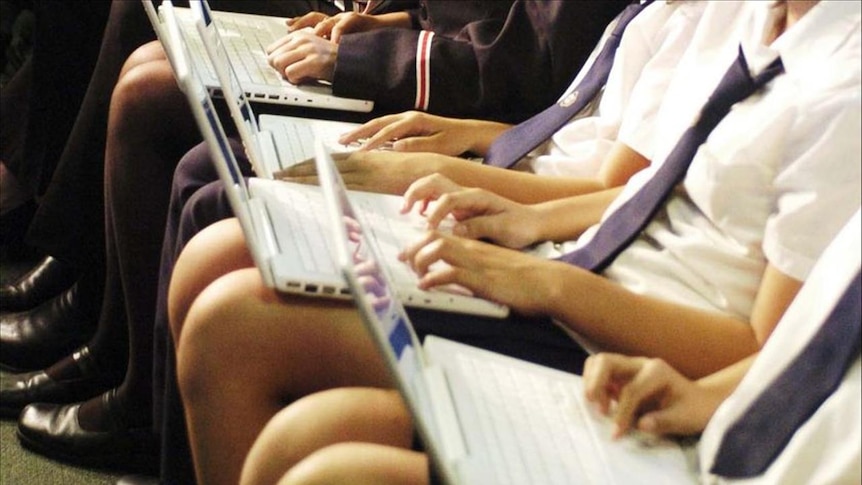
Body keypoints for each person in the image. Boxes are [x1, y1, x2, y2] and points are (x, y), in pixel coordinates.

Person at [159, 1, 860, 484]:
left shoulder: (841, 86)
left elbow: (770, 347)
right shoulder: (772, 26)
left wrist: (545, 273)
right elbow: (641, 188)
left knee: (245, 336)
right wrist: (488, 175)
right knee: (238, 309)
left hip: (617, 316)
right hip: (597, 274)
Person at [2, 0, 627, 477]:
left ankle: (136, 388)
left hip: (561, 219)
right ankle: (118, 347)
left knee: (205, 200)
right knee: (169, 117)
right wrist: (388, 22)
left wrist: (388, 74)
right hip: (516, 153)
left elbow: (540, 75)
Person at [234, 207, 862, 485]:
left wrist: (554, 283)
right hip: (720, 429)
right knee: (303, 438)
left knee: (249, 337)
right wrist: (708, 398)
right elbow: (809, 344)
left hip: (619, 320)